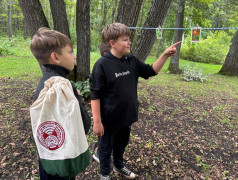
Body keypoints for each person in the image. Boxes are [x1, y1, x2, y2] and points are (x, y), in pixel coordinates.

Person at [90, 22, 181, 180]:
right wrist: (97, 121)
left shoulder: (131, 60)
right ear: (112, 43)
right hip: (109, 119)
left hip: (127, 116)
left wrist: (165, 54)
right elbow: (95, 94)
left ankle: (119, 166)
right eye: (125, 39)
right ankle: (104, 175)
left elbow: (150, 70)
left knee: (121, 145)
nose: (129, 42)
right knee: (105, 149)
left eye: (129, 39)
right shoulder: (102, 64)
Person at [30, 27, 90, 180]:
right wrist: (79, 100)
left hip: (49, 159)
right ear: (55, 57)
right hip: (62, 164)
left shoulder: (45, 84)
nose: (74, 56)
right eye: (70, 52)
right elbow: (84, 125)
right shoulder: (62, 87)